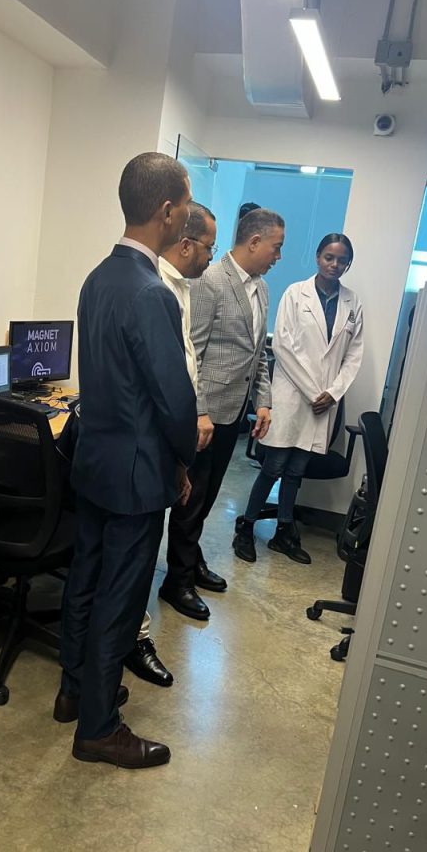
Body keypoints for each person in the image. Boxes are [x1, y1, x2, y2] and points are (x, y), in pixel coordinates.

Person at [54, 152, 197, 769]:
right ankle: (99, 727)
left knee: (85, 579)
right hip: (138, 473)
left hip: (94, 460)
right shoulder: (151, 293)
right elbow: (173, 399)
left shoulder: (97, 279)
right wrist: (184, 459)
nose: (187, 216)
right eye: (185, 206)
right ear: (166, 211)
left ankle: (74, 691)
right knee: (121, 594)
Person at [159, 208, 283, 620]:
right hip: (205, 416)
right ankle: (176, 582)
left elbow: (259, 354)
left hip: (234, 411)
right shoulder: (211, 282)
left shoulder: (261, 289)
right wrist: (198, 412)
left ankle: (191, 561)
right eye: (276, 247)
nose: (278, 256)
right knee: (191, 500)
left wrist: (263, 401)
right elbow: (190, 352)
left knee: (208, 497)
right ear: (254, 242)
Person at [124, 202, 217, 688]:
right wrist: (181, 455)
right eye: (208, 247)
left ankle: (129, 631)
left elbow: (186, 362)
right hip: (149, 445)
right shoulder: (152, 289)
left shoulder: (181, 288)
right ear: (185, 244)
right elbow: (163, 383)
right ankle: (134, 637)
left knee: (146, 549)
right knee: (137, 555)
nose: (211, 256)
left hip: (163, 439)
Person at [233, 233, 363, 564]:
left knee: (296, 471)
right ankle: (246, 526)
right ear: (318, 257)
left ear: (348, 264)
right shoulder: (295, 293)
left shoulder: (353, 304)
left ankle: (283, 533)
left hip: (323, 403)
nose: (335, 264)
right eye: (329, 257)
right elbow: (282, 346)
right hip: (292, 396)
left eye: (342, 260)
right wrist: (313, 392)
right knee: (273, 467)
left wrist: (332, 393)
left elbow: (353, 356)